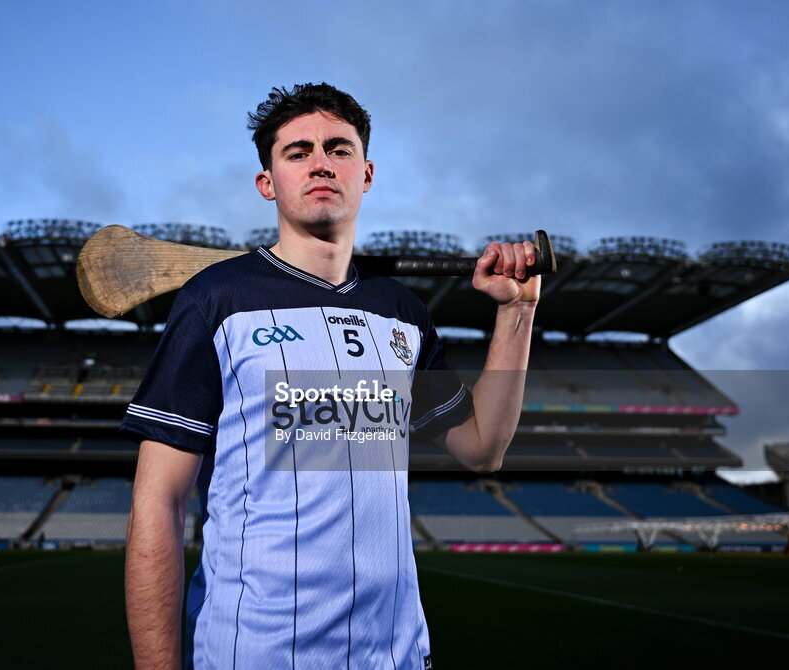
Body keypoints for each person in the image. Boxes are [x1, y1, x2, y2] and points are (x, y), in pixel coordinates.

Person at [122, 82, 539, 669]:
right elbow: (158, 501)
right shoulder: (216, 301)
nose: (321, 162)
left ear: (366, 173)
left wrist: (517, 311)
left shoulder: (402, 311)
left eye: (339, 149)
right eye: (298, 152)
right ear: (268, 182)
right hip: (256, 654)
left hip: (394, 655)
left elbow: (482, 447)